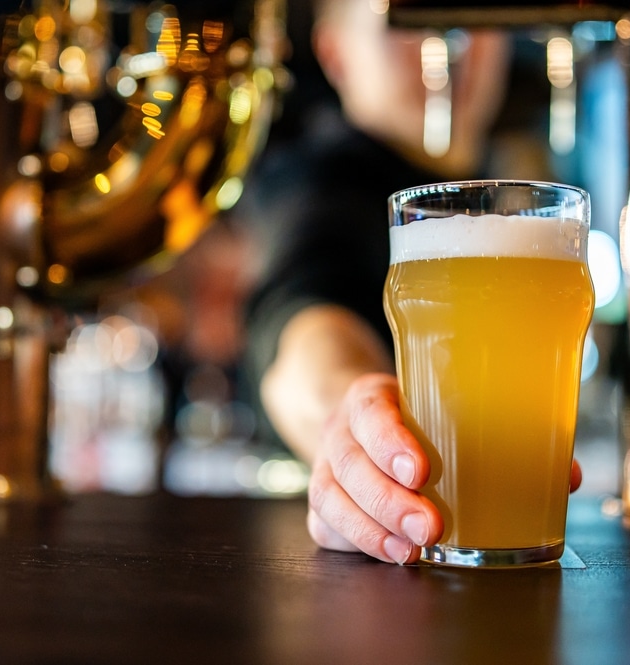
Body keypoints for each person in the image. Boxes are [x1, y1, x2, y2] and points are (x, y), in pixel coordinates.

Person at [239, 0, 582, 565]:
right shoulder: (323, 179)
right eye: (409, 22)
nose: (447, 50)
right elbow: (302, 327)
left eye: (473, 21)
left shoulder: (525, 187)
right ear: (336, 55)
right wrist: (354, 421)